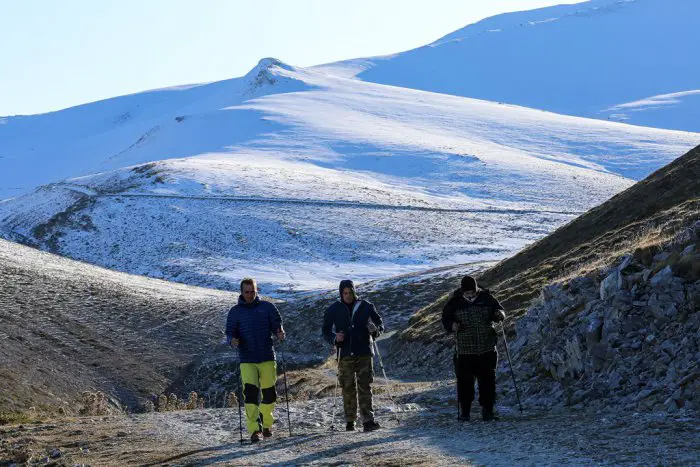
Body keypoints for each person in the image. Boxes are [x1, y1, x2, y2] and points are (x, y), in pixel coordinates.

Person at [226, 277, 286, 442]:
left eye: (253, 291)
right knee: (250, 395)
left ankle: (266, 424)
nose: (250, 295)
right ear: (241, 292)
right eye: (247, 292)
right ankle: (254, 430)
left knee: (270, 395)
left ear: (256, 290)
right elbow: (229, 332)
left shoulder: (268, 307)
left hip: (267, 357)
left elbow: (277, 325)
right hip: (247, 359)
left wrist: (280, 332)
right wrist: (232, 341)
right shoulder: (235, 312)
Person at [322, 279, 384, 432]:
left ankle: (368, 421)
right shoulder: (334, 309)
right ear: (341, 294)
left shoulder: (366, 306)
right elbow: (325, 330)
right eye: (345, 293)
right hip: (345, 353)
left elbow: (380, 324)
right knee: (347, 387)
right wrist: (335, 337)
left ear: (354, 292)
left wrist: (375, 330)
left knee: (365, 386)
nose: (348, 296)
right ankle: (350, 421)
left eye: (350, 292)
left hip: (364, 352)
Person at [442, 275, 505, 421]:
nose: (470, 295)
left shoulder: (487, 298)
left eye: (473, 292)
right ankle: (465, 412)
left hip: (487, 348)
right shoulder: (454, 302)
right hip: (464, 350)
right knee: (464, 382)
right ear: (462, 291)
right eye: (467, 293)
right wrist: (452, 325)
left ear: (476, 289)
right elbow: (445, 319)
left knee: (488, 381)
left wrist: (500, 315)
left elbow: (499, 310)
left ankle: (488, 411)